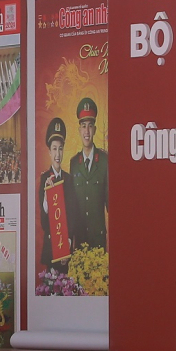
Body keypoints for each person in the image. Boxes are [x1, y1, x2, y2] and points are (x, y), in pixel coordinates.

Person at [67, 98, 106, 252]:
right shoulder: (73, 163)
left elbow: (111, 203)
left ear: (95, 129)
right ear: (79, 130)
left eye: (90, 126)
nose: (87, 132)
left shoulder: (104, 161)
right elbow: (71, 204)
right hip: (80, 239)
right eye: (83, 126)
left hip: (98, 240)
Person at [37, 117, 72, 274]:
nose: (58, 154)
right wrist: (47, 196)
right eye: (55, 149)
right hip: (51, 249)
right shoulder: (45, 179)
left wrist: (68, 243)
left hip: (66, 249)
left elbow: (73, 215)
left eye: (60, 149)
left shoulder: (69, 179)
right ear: (49, 152)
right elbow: (44, 221)